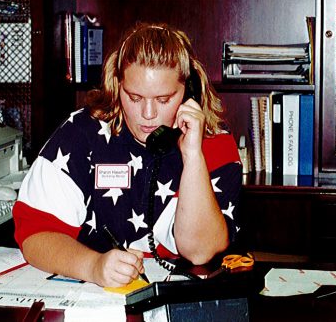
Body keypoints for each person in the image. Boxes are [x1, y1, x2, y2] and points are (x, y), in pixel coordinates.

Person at [13, 22, 242, 288]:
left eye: (164, 99)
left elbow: (200, 251)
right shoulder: (81, 133)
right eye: (134, 97)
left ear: (189, 91)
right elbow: (34, 234)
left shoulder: (214, 142)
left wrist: (192, 156)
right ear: (116, 85)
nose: (148, 114)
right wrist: (93, 266)